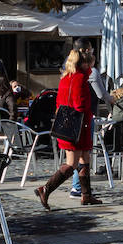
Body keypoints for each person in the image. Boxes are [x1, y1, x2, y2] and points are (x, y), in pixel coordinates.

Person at [35, 48, 100, 208]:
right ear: (84, 64)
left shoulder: (66, 77)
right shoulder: (79, 79)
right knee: (72, 163)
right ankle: (45, 189)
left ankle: (86, 195)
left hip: (68, 123)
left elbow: (59, 102)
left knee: (85, 158)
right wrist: (86, 112)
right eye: (90, 63)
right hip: (76, 126)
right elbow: (79, 104)